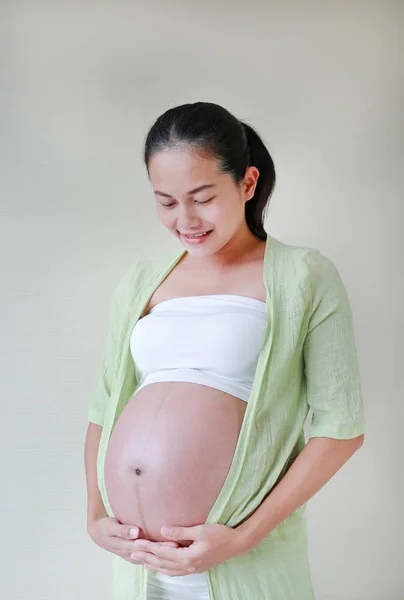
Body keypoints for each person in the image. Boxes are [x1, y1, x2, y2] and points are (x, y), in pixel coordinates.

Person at [84, 101, 365, 600]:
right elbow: (104, 409)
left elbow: (340, 431)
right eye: (166, 202)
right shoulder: (142, 281)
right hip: (140, 566)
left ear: (247, 184)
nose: (185, 219)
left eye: (202, 197)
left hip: (242, 561)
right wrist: (95, 517)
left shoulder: (304, 276)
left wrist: (239, 539)